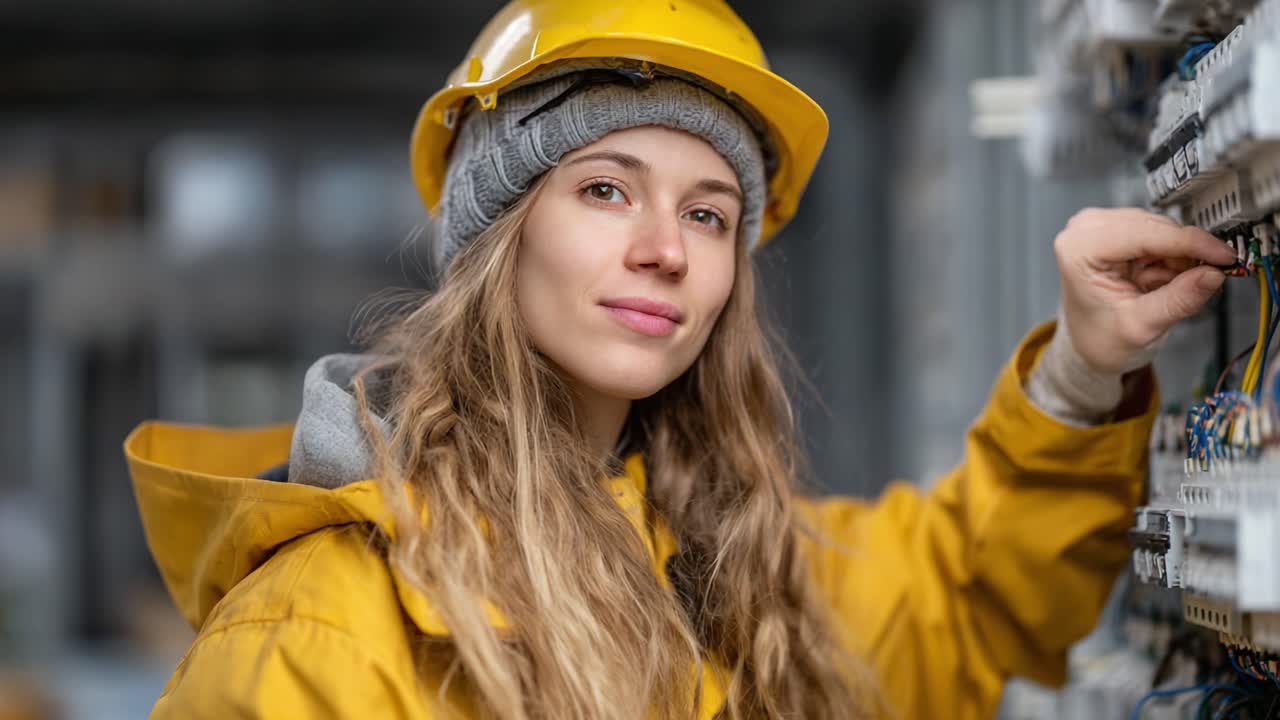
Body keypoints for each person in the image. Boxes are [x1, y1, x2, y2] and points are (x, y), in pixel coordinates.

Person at [123, 1, 1236, 718]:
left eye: (708, 216)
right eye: (604, 188)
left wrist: (1084, 370)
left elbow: (962, 592)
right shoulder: (315, 639)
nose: (662, 250)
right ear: (494, 237)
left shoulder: (735, 568)